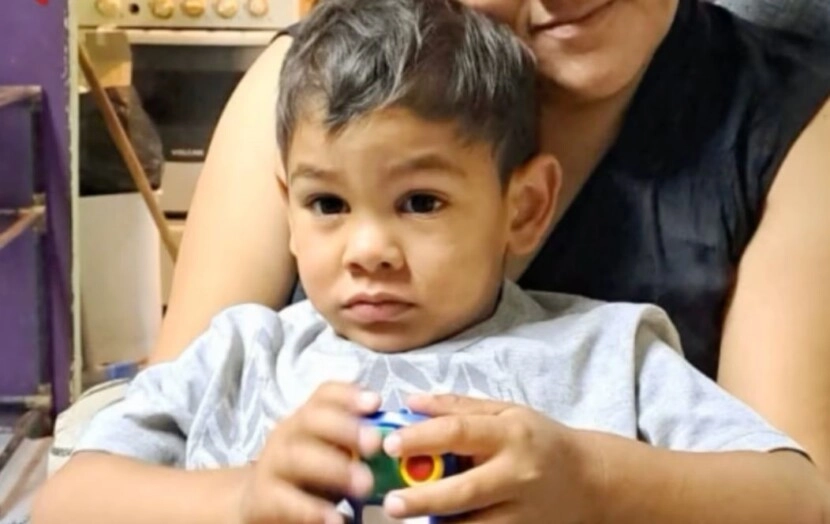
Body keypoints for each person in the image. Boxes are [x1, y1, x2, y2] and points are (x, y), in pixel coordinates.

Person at [32, 1, 828, 522]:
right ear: (288, 204)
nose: (370, 250)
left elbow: (800, 496)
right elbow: (71, 498)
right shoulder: (245, 353)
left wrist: (593, 482)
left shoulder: (612, 354)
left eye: (420, 202)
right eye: (327, 204)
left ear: (525, 206)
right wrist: (241, 497)